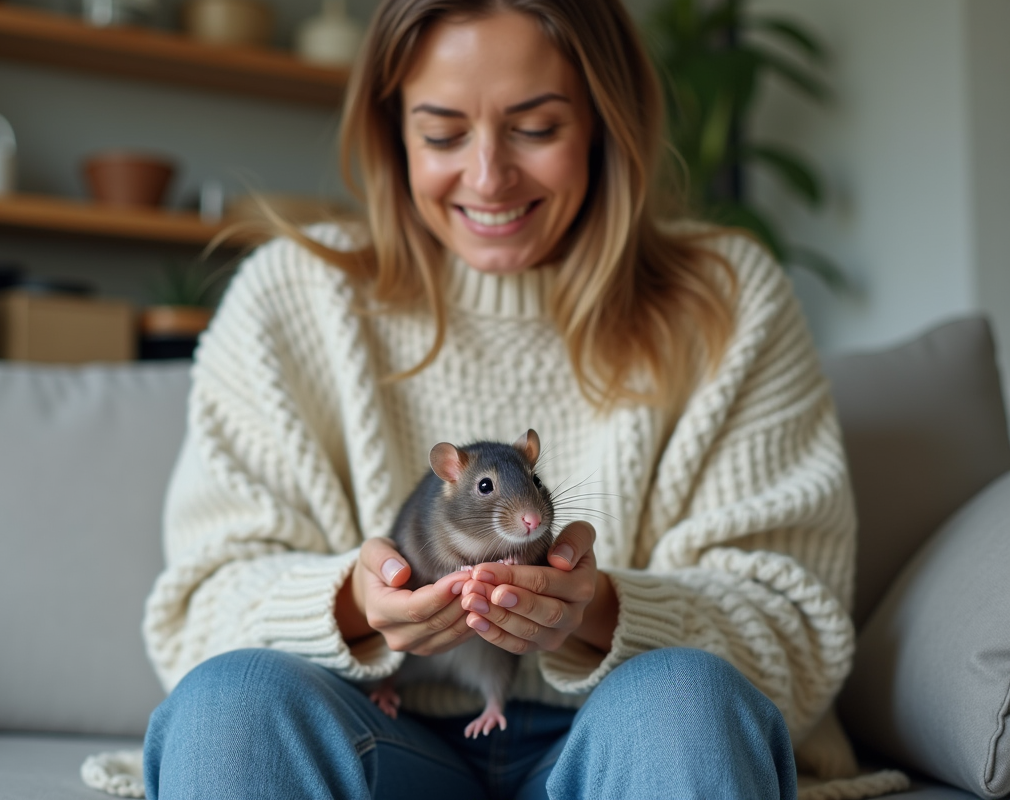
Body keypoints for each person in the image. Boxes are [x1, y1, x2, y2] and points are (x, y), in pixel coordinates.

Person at [139, 1, 859, 798]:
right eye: (442, 134)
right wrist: (356, 606)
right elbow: (198, 616)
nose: (488, 178)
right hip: (373, 727)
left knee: (687, 704)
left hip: (619, 733)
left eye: (537, 128)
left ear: (605, 122)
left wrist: (600, 611)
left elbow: (799, 634)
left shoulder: (730, 299)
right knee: (230, 705)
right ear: (393, 132)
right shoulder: (287, 298)